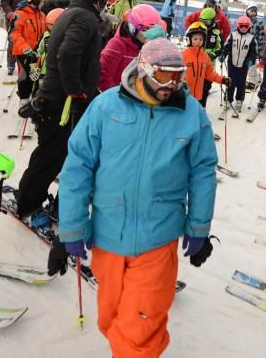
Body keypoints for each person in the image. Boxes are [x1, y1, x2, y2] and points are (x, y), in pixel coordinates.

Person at [52, 38, 218, 358]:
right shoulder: (106, 107)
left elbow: (203, 172)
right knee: (111, 318)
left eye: (178, 76)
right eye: (164, 76)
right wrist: (71, 229)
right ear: (143, 70)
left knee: (141, 328)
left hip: (158, 239)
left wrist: (198, 228)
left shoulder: (191, 114)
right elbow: (77, 167)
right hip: (107, 236)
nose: (172, 85)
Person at [14, 0, 110, 223]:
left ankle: (30, 197)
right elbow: (68, 53)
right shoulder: (84, 17)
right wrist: (75, 89)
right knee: (50, 156)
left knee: (54, 154)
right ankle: (28, 205)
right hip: (61, 102)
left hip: (59, 99)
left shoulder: (74, 13)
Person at [98, 4, 164, 92]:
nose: (149, 34)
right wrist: (117, 97)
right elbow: (103, 76)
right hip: (118, 97)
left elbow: (149, 73)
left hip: (138, 98)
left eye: (153, 30)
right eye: (145, 30)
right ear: (133, 28)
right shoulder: (117, 45)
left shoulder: (146, 47)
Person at [11, 0, 48, 106]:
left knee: (37, 76)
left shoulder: (41, 15)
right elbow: (14, 33)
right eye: (42, 1)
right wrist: (25, 47)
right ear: (35, 1)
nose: (43, 3)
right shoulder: (20, 14)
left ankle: (35, 98)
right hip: (23, 52)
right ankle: (24, 99)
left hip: (38, 52)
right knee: (25, 75)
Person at [0, 0, 35, 76]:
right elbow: (4, 2)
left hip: (27, 18)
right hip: (13, 18)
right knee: (13, 40)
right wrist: (10, 12)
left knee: (24, 40)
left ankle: (24, 63)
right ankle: (11, 64)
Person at [182, 22, 226, 107]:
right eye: (195, 39)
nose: (198, 41)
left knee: (197, 115)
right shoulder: (183, 55)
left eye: (200, 39)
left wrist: (222, 80)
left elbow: (210, 74)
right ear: (189, 39)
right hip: (185, 95)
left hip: (199, 96)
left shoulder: (205, 56)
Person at [221, 15, 257, 115]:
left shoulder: (251, 38)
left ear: (249, 27)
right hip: (232, 63)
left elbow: (253, 52)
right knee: (230, 82)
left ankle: (239, 100)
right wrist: (223, 55)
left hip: (243, 65)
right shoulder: (233, 35)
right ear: (238, 26)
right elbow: (227, 47)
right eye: (241, 26)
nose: (244, 28)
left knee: (241, 83)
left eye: (246, 26)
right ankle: (228, 99)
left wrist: (251, 60)